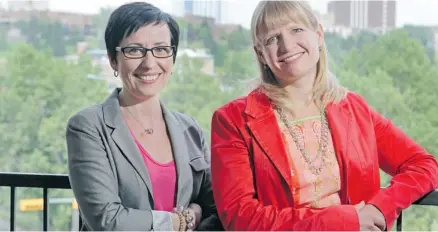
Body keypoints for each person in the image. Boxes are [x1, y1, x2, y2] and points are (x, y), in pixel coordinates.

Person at [210, 1, 438, 231]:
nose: (287, 45)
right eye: (272, 39)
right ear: (261, 54)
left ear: (318, 35)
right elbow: (240, 217)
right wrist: (345, 220)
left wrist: (380, 207)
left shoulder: (354, 108)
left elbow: (423, 165)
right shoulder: (232, 121)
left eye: (296, 29)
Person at [66, 2, 222, 231]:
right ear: (112, 59)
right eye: (134, 50)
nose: (149, 64)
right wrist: (180, 221)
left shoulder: (190, 130)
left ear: (172, 57)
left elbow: (217, 207)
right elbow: (107, 221)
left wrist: (201, 213)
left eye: (161, 49)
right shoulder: (88, 127)